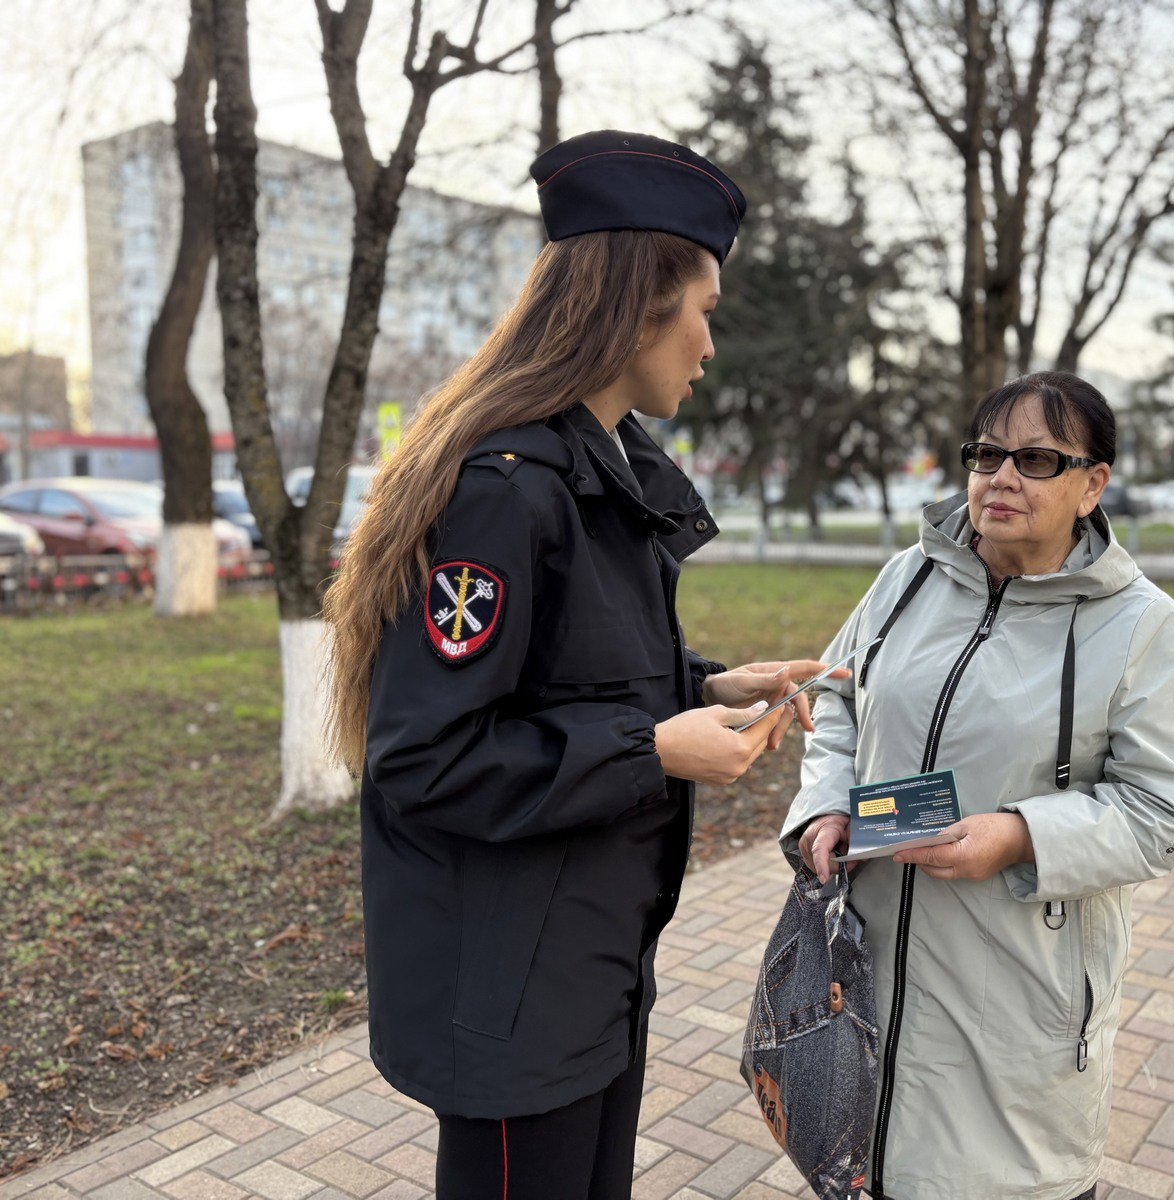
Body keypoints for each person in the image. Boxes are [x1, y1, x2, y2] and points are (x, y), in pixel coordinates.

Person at [323, 130, 839, 1200]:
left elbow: (563, 673)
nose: (708, 346)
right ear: (639, 300)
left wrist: (705, 690)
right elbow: (425, 757)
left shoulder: (599, 472)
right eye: (704, 311)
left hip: (582, 964)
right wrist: (653, 747)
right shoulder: (509, 490)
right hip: (516, 985)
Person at [782, 372, 1174, 1200]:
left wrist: (1020, 835)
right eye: (986, 453)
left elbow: (1166, 808)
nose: (1001, 476)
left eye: (1037, 459)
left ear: (1093, 485)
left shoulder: (1138, 622)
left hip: (1019, 991)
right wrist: (830, 803)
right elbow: (837, 696)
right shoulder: (908, 576)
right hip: (867, 976)